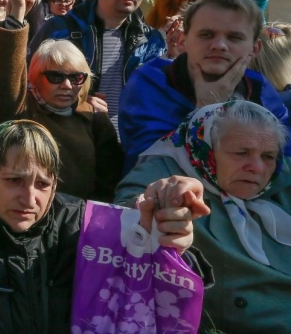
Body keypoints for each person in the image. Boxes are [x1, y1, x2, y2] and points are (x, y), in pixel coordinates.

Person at [0, 120, 209, 333]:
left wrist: (170, 240)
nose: (29, 198)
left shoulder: (76, 224)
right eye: (14, 180)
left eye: (43, 184)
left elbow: (137, 247)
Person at [116, 101, 291, 333]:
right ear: (204, 148)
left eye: (268, 156)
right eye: (241, 153)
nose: (257, 167)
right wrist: (160, 204)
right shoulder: (166, 172)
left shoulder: (282, 182)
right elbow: (125, 214)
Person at [0, 0, 122, 200]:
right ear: (35, 77)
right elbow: (6, 77)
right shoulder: (20, 111)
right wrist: (16, 15)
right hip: (22, 214)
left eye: (76, 77)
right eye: (55, 76)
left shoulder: (94, 118)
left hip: (75, 223)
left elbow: (109, 181)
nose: (67, 85)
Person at [120, 0, 290, 167]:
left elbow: (284, 160)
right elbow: (148, 164)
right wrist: (206, 110)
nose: (219, 45)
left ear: (254, 48)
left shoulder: (258, 87)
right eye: (206, 35)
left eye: (234, 37)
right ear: (182, 40)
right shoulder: (150, 82)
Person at [30, 0, 166, 131]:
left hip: (128, 145)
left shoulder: (151, 39)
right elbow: (30, 84)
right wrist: (76, 102)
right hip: (71, 139)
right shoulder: (60, 29)